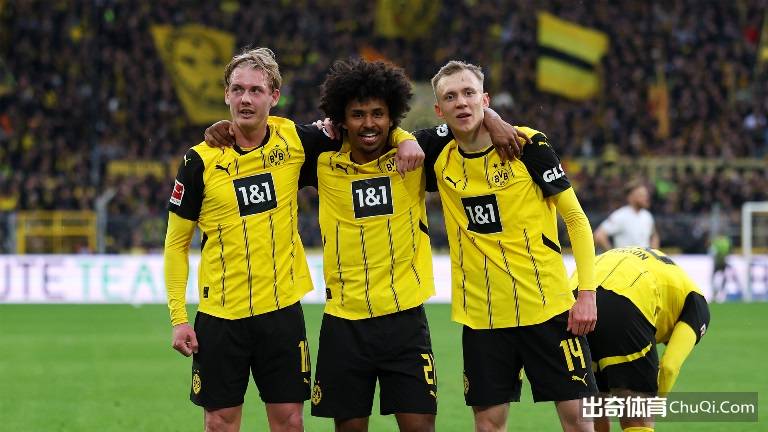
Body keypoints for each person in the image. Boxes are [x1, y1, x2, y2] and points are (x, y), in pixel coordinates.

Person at [205, 58, 526, 432]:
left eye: (378, 114)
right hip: (344, 323)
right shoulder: (320, 157)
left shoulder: (417, 153)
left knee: (420, 427)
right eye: (357, 114)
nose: (368, 123)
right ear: (342, 120)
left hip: (405, 320)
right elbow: (266, 138)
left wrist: (494, 118)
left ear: (393, 117)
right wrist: (226, 128)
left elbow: (463, 120)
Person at [163, 48, 422, 432]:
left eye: (255, 90)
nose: (246, 99)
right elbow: (175, 243)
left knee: (289, 422)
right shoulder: (199, 161)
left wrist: (404, 136)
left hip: (281, 313)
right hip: (220, 317)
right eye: (238, 89)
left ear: (274, 96)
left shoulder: (297, 141)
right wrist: (179, 318)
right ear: (226, 94)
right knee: (219, 423)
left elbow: (366, 128)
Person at [416, 60, 599, 432]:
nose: (461, 102)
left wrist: (587, 294)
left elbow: (576, 220)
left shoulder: (527, 145)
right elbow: (389, 135)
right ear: (439, 110)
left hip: (548, 309)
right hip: (483, 319)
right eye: (450, 97)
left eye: (469, 93)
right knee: (487, 426)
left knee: (580, 422)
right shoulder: (436, 153)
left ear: (485, 99)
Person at [569, 247, 711, 432]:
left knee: (594, 410)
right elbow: (669, 366)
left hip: (576, 296)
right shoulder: (697, 304)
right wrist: (655, 405)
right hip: (626, 301)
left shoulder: (666, 273)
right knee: (637, 418)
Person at [593, 181, 659, 251]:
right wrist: (613, 254)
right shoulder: (620, 215)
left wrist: (654, 253)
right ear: (630, 197)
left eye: (646, 195)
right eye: (641, 195)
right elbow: (599, 235)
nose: (646, 198)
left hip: (644, 257)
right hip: (626, 257)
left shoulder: (647, 215)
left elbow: (654, 236)